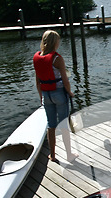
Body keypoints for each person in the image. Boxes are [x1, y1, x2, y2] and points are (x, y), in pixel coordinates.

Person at [33, 30, 76, 163]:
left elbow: (37, 81)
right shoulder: (57, 58)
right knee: (64, 125)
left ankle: (52, 155)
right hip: (59, 94)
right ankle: (69, 155)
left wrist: (42, 96)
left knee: (51, 126)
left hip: (46, 94)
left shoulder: (37, 57)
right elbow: (65, 80)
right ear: (55, 42)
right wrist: (70, 92)